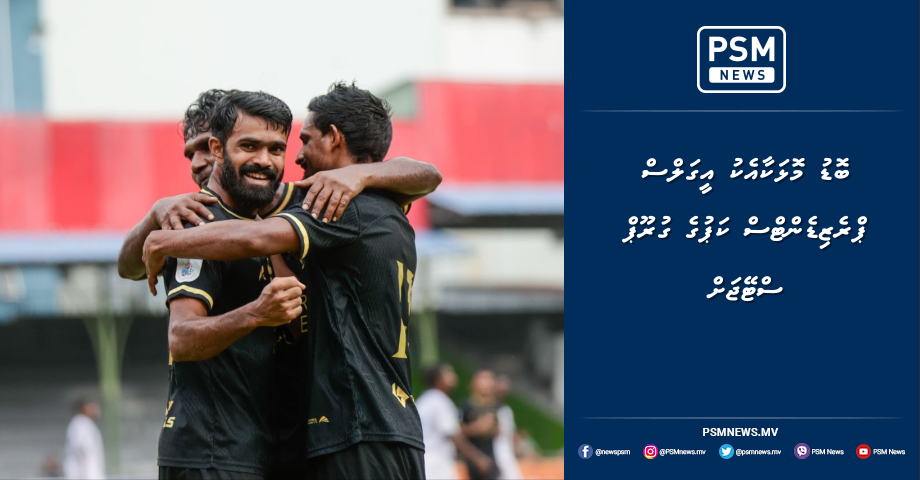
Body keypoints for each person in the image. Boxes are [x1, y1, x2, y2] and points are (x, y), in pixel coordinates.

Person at [143, 82, 439, 479]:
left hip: (355, 428)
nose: (296, 156)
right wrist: (155, 215)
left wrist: (162, 241)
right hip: (381, 429)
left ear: (333, 138)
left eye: (297, 143)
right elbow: (176, 329)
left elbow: (257, 238)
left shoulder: (336, 208)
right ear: (221, 149)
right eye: (249, 146)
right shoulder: (387, 205)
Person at [155, 90, 309, 480]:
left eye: (276, 149)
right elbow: (181, 338)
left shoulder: (268, 228)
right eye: (249, 146)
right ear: (218, 149)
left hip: (257, 449)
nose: (264, 160)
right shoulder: (197, 224)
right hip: (210, 453)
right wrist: (257, 313)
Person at [417, 364, 494, 480]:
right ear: (438, 379)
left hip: (426, 461)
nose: (454, 377)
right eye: (449, 374)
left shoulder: (427, 398)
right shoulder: (439, 401)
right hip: (435, 465)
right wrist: (478, 458)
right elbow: (454, 436)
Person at [460, 370, 500, 480]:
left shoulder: (497, 408)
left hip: (492, 461)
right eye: (483, 379)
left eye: (489, 379)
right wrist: (478, 427)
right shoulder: (465, 407)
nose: (487, 383)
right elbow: (456, 433)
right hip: (470, 462)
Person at [63, 399, 105, 480]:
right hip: (86, 475)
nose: (93, 409)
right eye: (90, 407)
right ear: (81, 409)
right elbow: (82, 450)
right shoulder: (81, 423)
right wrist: (84, 475)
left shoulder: (83, 423)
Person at [493, 375, 522, 480]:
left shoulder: (506, 410)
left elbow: (511, 432)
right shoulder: (487, 409)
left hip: (506, 455)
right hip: (493, 456)